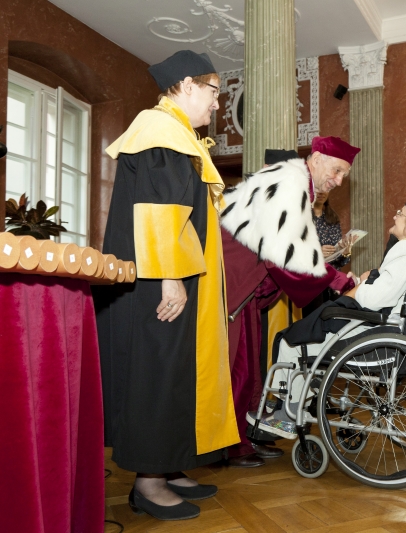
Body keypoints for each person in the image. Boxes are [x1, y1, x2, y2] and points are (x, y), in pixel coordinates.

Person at [94, 50, 237, 520]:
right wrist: (171, 278)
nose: (217, 103)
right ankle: (149, 483)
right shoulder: (160, 129)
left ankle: (170, 466)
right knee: (156, 374)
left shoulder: (175, 132)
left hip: (170, 274)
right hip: (158, 280)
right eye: (214, 92)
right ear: (188, 85)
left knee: (176, 373)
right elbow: (160, 212)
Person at [250, 194, 406, 439]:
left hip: (381, 334)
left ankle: (287, 415)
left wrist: (363, 282)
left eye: (400, 213)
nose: (395, 215)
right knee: (310, 330)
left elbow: (374, 299)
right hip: (399, 331)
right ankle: (289, 400)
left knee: (293, 341)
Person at [220, 142, 359, 466]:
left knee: (249, 368)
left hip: (248, 287)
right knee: (237, 369)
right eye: (337, 171)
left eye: (344, 175)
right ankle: (227, 444)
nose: (339, 181)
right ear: (317, 159)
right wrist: (341, 282)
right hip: (234, 282)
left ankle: (242, 437)